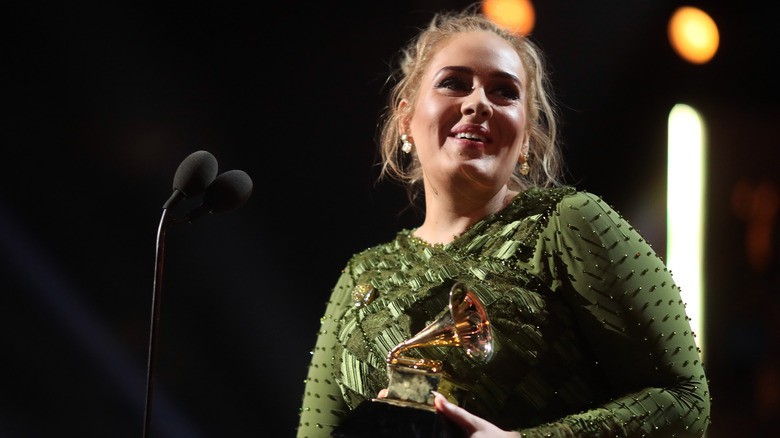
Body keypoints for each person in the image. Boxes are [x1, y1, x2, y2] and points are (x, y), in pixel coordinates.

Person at [297, 9, 711, 438]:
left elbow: (684, 401)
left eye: (503, 92)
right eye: (453, 83)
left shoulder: (568, 223)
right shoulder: (362, 275)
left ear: (526, 137)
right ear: (406, 119)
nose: (478, 103)